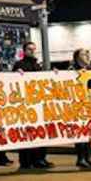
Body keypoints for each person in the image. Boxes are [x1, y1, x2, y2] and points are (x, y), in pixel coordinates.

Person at [13, 41, 53, 170]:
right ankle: (25, 161)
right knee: (26, 133)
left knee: (40, 132)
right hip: (25, 104)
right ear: (24, 51)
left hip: (37, 103)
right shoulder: (19, 65)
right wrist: (15, 74)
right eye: (30, 49)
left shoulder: (37, 65)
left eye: (34, 49)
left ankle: (40, 158)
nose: (32, 51)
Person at [70, 49, 91, 169]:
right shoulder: (71, 71)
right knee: (80, 133)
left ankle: (88, 157)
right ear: (77, 58)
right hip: (78, 106)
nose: (87, 56)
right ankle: (81, 158)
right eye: (83, 54)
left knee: (90, 133)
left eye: (87, 54)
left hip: (90, 104)